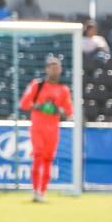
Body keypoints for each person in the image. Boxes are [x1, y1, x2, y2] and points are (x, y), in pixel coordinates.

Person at [19, 56, 73, 202]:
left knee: (48, 159)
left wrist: (56, 110)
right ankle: (35, 191)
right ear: (46, 69)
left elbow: (68, 112)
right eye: (51, 67)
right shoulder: (37, 85)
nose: (54, 70)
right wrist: (39, 106)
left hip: (53, 130)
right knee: (38, 155)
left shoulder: (63, 90)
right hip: (37, 127)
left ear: (61, 69)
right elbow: (23, 104)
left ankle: (42, 192)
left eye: (57, 67)